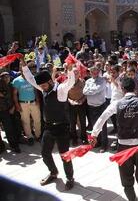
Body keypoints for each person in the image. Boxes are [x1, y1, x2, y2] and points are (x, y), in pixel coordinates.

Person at [90, 77, 138, 201]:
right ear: (135, 89)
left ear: (122, 89)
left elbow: (103, 117)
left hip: (123, 145)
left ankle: (132, 199)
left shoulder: (116, 103)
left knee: (126, 177)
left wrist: (94, 134)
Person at [20, 57, 76, 190]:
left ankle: (70, 178)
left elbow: (70, 82)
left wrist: (70, 71)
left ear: (51, 81)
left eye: (44, 85)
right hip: (49, 128)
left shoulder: (61, 90)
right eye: (41, 86)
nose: (42, 88)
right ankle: (53, 172)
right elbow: (31, 79)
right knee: (45, 153)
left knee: (65, 156)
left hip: (62, 127)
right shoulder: (43, 88)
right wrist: (24, 66)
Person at [12, 61, 41, 145]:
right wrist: (17, 105)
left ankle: (38, 135)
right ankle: (30, 137)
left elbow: (35, 89)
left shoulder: (32, 78)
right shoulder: (16, 81)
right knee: (26, 121)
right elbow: (14, 94)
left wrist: (38, 100)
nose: (23, 70)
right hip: (23, 104)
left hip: (33, 102)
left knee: (37, 120)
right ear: (20, 70)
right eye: (21, 68)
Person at [83, 66, 108, 153]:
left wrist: (90, 90)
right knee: (95, 126)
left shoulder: (102, 80)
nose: (94, 73)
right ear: (90, 73)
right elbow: (84, 92)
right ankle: (98, 142)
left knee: (103, 126)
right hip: (91, 106)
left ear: (98, 72)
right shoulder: (88, 81)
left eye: (96, 71)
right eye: (92, 71)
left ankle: (104, 145)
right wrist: (91, 90)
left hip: (101, 106)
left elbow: (96, 90)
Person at [0, 72, 20, 153]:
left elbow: (15, 97)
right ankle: (1, 146)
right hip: (3, 108)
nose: (6, 78)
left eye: (8, 77)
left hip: (6, 110)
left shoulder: (11, 86)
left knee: (9, 129)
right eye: (4, 77)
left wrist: (13, 107)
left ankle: (14, 145)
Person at [67, 68, 87, 146]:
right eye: (73, 73)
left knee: (83, 122)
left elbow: (86, 93)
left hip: (81, 104)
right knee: (72, 123)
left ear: (79, 74)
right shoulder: (67, 82)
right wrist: (70, 101)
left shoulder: (83, 82)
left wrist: (82, 100)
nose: (75, 75)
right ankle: (74, 139)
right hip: (71, 105)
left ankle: (84, 138)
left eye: (76, 73)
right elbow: (65, 95)